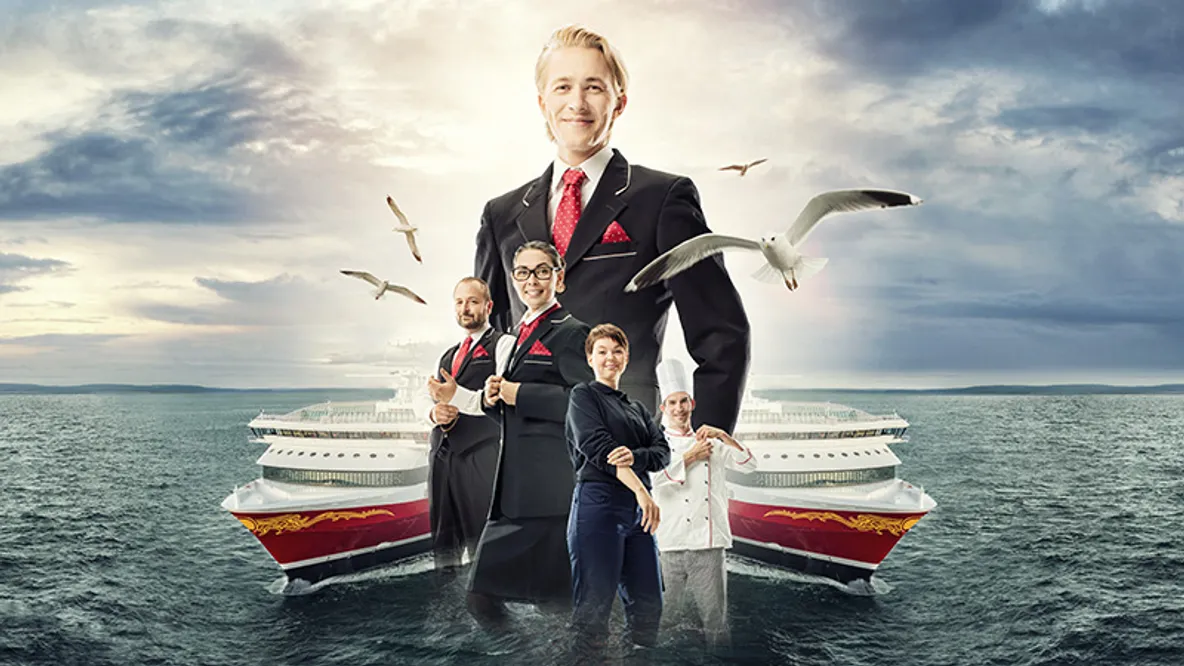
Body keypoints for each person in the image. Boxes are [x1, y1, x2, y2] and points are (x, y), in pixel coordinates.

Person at [474, 24, 751, 434]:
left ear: (619, 102)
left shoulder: (663, 198)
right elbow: (489, 342)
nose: (578, 103)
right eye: (563, 87)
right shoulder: (501, 214)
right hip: (521, 443)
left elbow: (722, 335)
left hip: (622, 438)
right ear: (542, 102)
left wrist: (704, 445)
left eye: (594, 87)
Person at [464, 240, 594, 626]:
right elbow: (515, 414)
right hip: (516, 491)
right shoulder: (518, 334)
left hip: (550, 494)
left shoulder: (572, 332)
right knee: (551, 603)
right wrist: (492, 399)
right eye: (522, 272)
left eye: (542, 271)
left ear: (560, 278)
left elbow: (586, 404)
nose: (531, 280)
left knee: (490, 599)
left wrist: (519, 393)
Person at [565, 323, 671, 652]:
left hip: (639, 515)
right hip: (598, 505)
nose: (610, 357)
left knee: (649, 604)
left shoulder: (637, 408)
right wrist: (642, 491)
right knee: (594, 608)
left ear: (626, 358)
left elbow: (662, 452)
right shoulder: (583, 396)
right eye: (602, 351)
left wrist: (635, 455)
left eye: (617, 351)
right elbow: (598, 448)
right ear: (590, 359)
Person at [649, 358, 757, 647]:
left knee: (715, 621)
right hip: (668, 544)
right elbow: (652, 481)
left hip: (708, 545)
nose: (679, 408)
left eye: (683, 401)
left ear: (692, 404)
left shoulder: (712, 442)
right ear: (663, 408)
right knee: (664, 618)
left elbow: (749, 464)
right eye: (672, 403)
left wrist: (723, 435)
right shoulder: (655, 444)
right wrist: (689, 457)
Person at [422, 277, 505, 570]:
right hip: (442, 457)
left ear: (488, 306)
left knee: (482, 538)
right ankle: (446, 605)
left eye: (472, 301)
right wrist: (435, 415)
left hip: (481, 455)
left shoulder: (503, 345)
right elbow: (431, 400)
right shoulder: (448, 354)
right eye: (459, 302)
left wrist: (458, 399)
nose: (465, 308)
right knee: (443, 546)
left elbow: (503, 398)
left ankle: (488, 604)